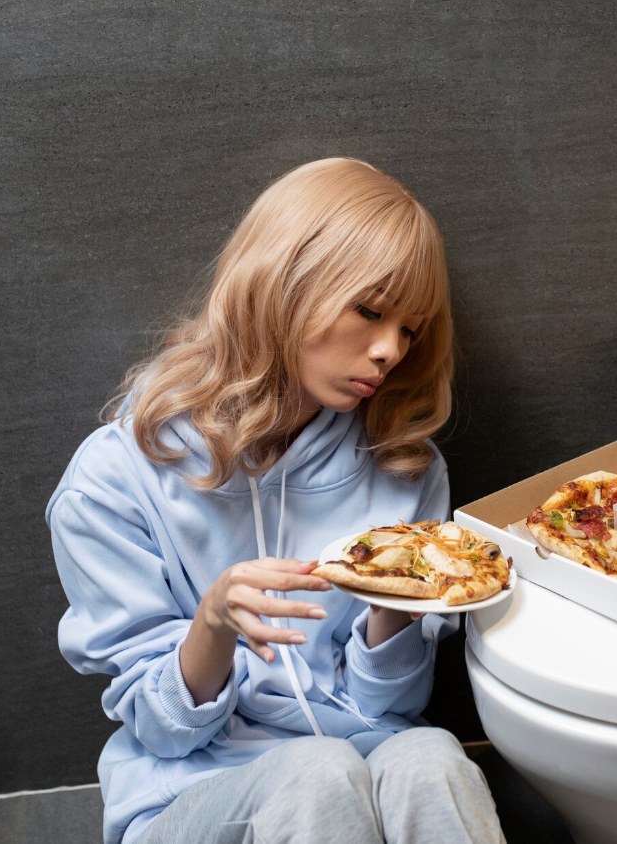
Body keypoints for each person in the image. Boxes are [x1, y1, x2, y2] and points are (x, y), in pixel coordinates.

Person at [47, 158, 505, 844]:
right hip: (189, 794)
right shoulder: (114, 479)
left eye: (410, 329)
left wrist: (395, 604)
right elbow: (160, 731)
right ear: (284, 281)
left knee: (430, 757)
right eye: (371, 311)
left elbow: (390, 708)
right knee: (316, 771)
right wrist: (213, 622)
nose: (389, 350)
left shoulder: (405, 470)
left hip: (359, 768)